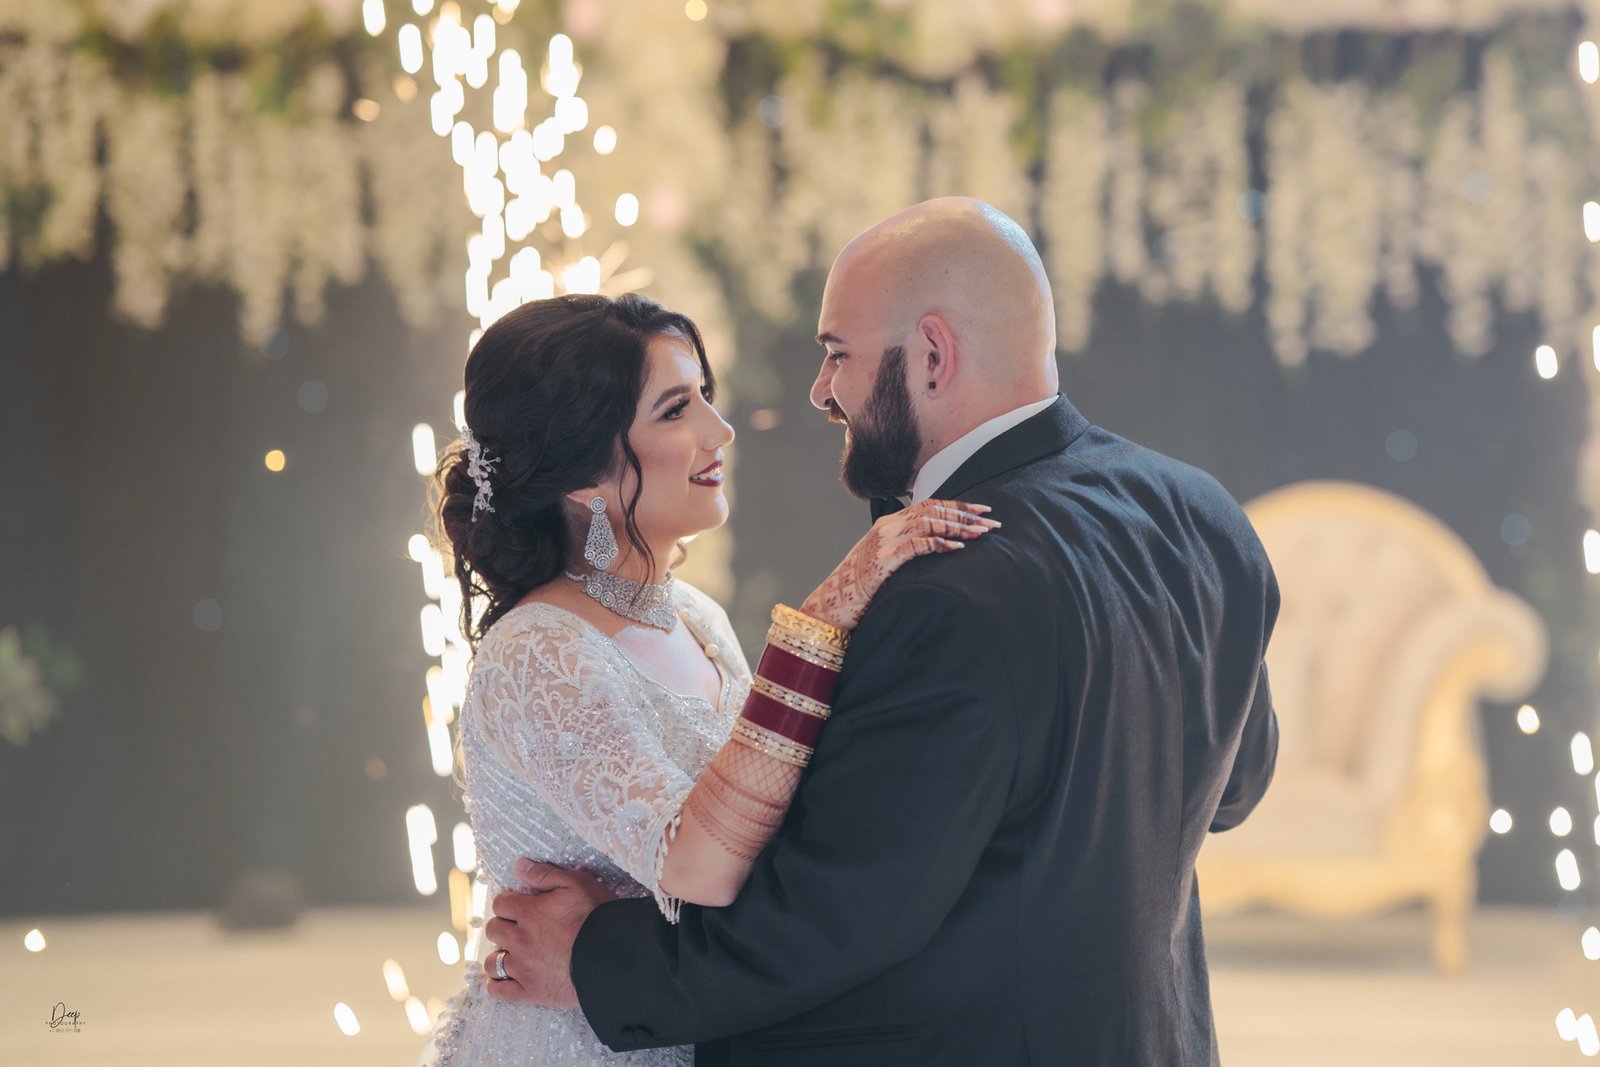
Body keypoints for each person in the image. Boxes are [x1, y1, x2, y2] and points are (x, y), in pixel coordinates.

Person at [482, 197, 1281, 1065]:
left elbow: (834, 912)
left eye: (837, 357)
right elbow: (1232, 784)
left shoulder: (945, 587)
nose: (822, 392)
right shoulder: (1199, 514)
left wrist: (595, 960)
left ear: (932, 355)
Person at [417, 291, 997, 1066]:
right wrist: (826, 612)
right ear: (584, 472)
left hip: (688, 1022)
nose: (718, 432)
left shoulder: (694, 615)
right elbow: (698, 867)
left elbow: (764, 812)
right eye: (674, 411)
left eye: (706, 400)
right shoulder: (539, 649)